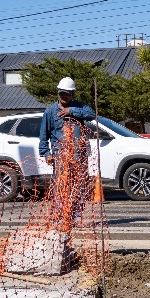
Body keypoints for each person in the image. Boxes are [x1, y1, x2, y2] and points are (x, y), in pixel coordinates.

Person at [38, 76, 96, 231]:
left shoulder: (79, 108)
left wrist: (71, 111)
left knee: (79, 185)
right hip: (60, 155)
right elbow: (44, 134)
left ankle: (76, 216)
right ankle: (59, 216)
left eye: (67, 94)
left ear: (73, 94)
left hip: (79, 155)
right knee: (61, 186)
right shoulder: (50, 111)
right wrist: (46, 153)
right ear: (58, 93)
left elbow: (91, 114)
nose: (63, 96)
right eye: (61, 93)